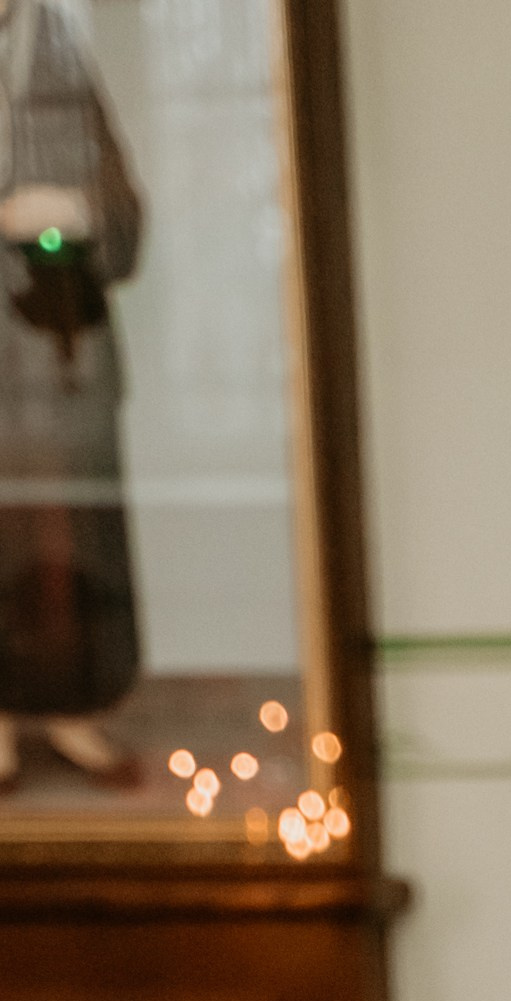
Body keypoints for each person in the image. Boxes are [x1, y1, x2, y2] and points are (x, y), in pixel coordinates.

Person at [0, 0, 145, 792]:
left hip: (62, 354)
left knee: (68, 539)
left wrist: (75, 215)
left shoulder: (64, 77)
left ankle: (73, 710)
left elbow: (124, 218)